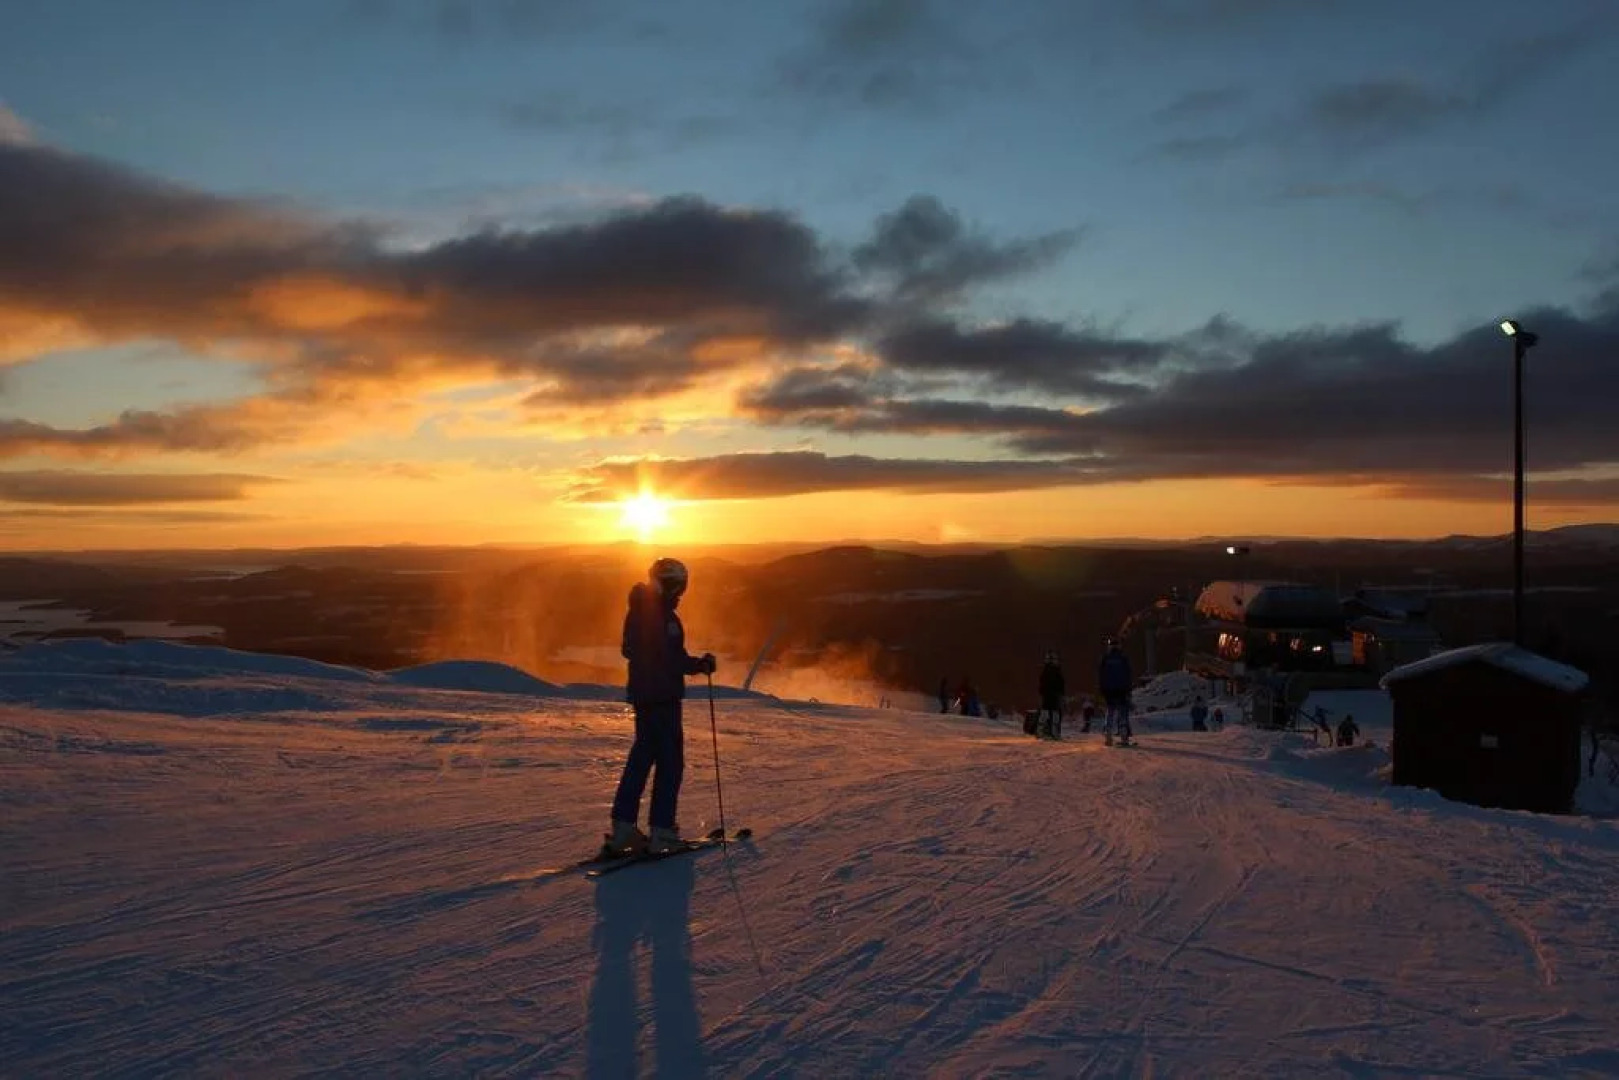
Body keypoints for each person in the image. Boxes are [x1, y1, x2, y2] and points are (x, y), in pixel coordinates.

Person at [609, 557, 716, 855]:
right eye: (677, 585)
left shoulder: (640, 609)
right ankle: (662, 831)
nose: (680, 591)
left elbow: (631, 649)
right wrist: (700, 665)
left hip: (645, 694)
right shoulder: (661, 615)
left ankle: (623, 827)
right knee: (670, 763)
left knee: (641, 759)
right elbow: (669, 657)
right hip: (661, 696)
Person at [1098, 639, 1134, 746]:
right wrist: (1129, 689)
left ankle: (1108, 735)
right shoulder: (1123, 658)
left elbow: (1101, 675)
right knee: (1122, 712)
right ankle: (1124, 736)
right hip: (1122, 690)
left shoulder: (1105, 659)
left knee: (1110, 712)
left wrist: (1102, 689)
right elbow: (1128, 674)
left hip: (1109, 690)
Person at [1038, 651, 1065, 739]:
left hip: (1048, 695)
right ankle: (1053, 732)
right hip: (1054, 695)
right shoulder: (1055, 671)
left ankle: (1044, 731)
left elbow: (1042, 683)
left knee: (1046, 713)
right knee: (1054, 714)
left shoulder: (1046, 670)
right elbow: (1061, 684)